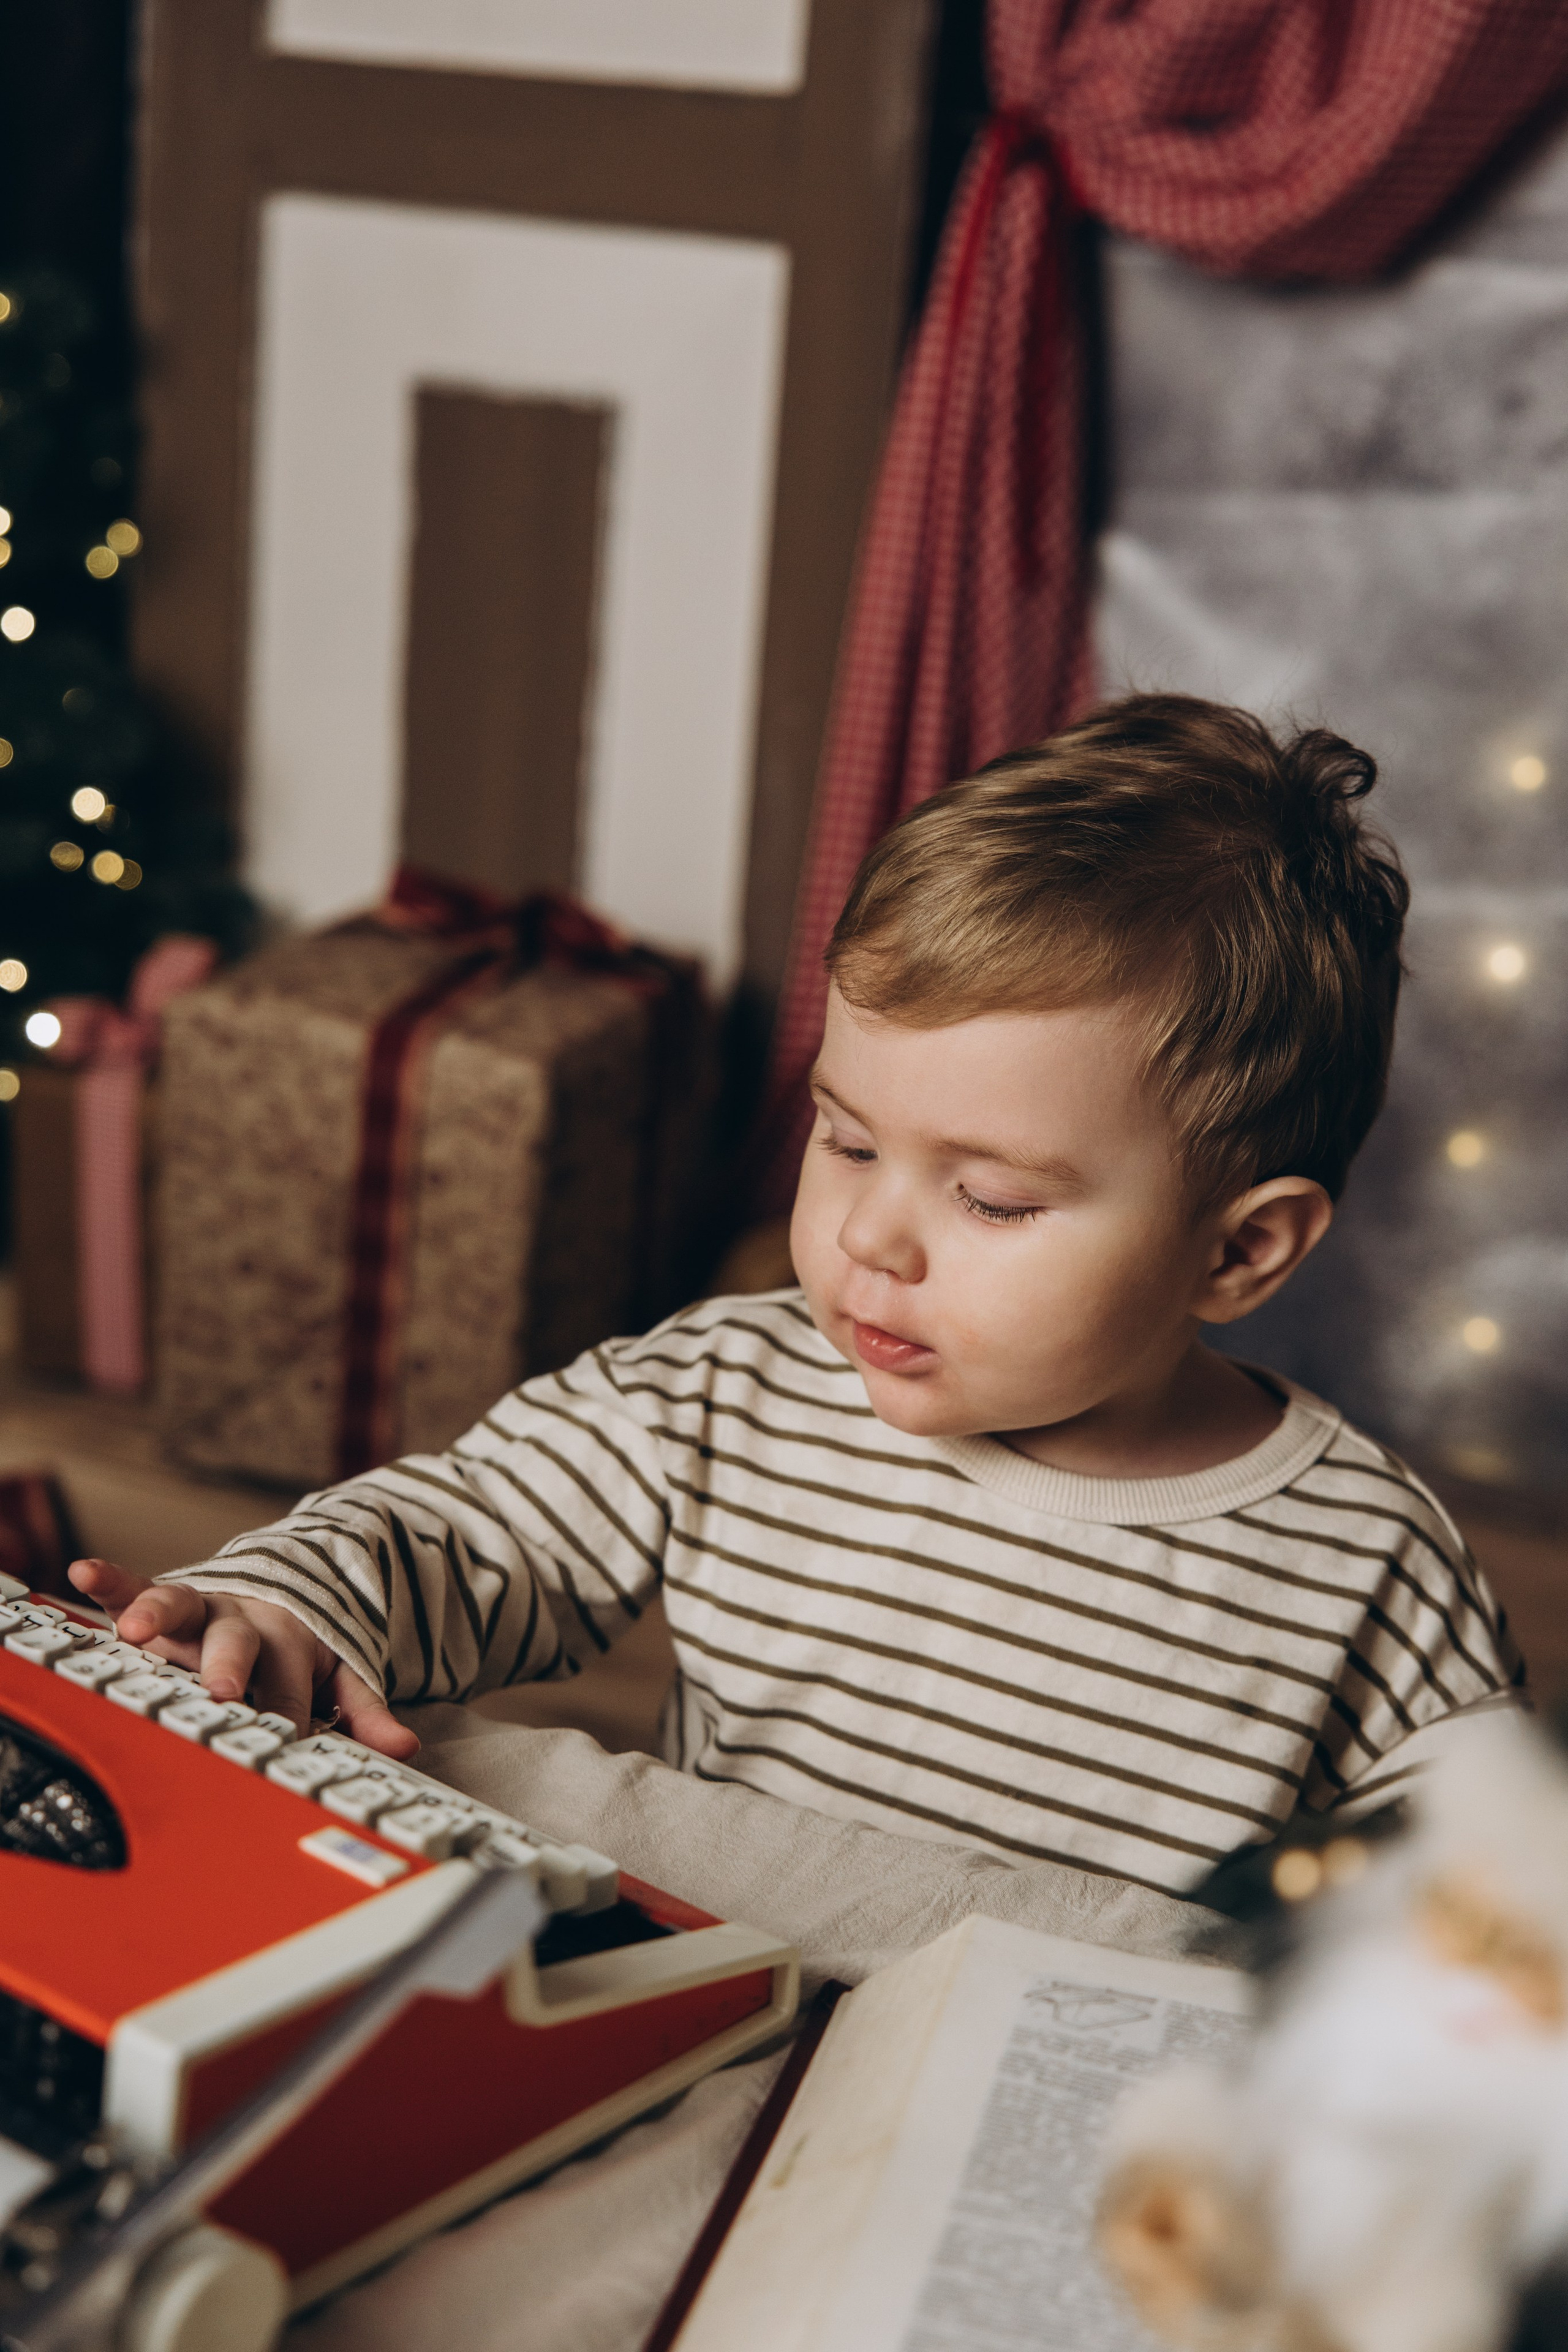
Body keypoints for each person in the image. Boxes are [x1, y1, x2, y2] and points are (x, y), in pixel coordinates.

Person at [73, 694, 1521, 1897]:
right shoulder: (725, 1388)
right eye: (845, 1139)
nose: (868, 1240)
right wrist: (287, 1604)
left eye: (992, 1198)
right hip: (716, 2026)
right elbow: (465, 1533)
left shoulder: (1366, 1575)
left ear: (1238, 1251)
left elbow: (1479, 1921)